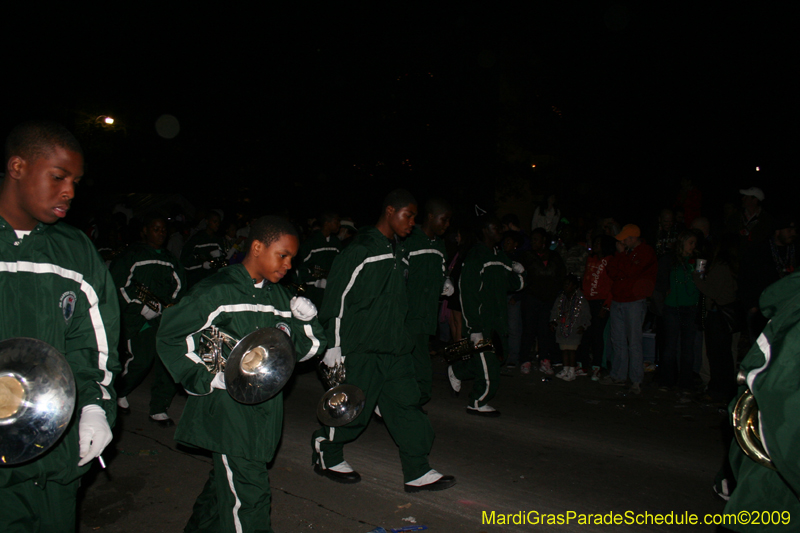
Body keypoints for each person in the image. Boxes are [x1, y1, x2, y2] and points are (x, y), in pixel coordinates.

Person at [157, 215, 326, 533]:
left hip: (265, 414)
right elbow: (171, 336)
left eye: (292, 257)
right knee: (250, 497)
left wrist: (307, 322)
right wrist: (205, 377)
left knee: (224, 487)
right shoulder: (216, 292)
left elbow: (303, 352)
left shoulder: (279, 298)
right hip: (228, 413)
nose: (289, 265)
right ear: (258, 247)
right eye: (283, 255)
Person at [0, 120, 120, 532]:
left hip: (54, 452)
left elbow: (92, 345)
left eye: (75, 181)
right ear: (17, 167)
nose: (69, 191)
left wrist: (94, 407)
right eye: (58, 177)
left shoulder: (74, 250)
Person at [311, 189, 456, 493]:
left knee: (407, 405)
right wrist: (333, 346)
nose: (413, 223)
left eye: (416, 217)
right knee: (354, 410)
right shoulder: (360, 249)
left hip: (395, 346)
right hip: (361, 347)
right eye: (409, 215)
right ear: (390, 211)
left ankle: (417, 469)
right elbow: (337, 300)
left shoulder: (399, 252)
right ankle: (327, 449)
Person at [110, 214, 185, 426]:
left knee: (168, 364)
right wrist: (140, 307)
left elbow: (179, 288)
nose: (161, 233)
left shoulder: (171, 260)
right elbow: (119, 285)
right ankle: (120, 393)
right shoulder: (131, 255)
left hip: (164, 319)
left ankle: (159, 408)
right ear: (145, 231)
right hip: (139, 319)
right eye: (156, 228)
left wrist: (168, 307)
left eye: (163, 230)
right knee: (140, 360)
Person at [449, 215, 526, 416]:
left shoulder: (500, 256)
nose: (500, 230)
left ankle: (458, 369)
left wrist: (520, 273)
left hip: (498, 323)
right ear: (484, 230)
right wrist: (473, 328)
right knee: (490, 366)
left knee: (497, 360)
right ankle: (477, 401)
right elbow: (468, 294)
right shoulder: (476, 256)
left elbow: (514, 284)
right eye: (495, 227)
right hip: (481, 325)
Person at [405, 198, 452, 405]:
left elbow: (441, 272)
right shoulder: (410, 239)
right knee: (413, 358)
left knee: (418, 356)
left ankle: (414, 399)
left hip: (427, 314)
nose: (447, 225)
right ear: (431, 217)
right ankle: (412, 399)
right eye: (444, 220)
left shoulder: (440, 245)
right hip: (407, 313)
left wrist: (445, 281)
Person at [601, 224, 657, 395]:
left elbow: (631, 271)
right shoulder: (624, 253)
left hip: (634, 302)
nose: (622, 243)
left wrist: (622, 259)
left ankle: (636, 380)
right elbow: (611, 270)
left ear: (632, 238)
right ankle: (618, 375)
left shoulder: (645, 251)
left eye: (624, 239)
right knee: (617, 340)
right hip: (618, 300)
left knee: (633, 342)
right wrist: (621, 258)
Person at [654, 230, 700, 393]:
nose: (693, 246)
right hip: (672, 308)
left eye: (695, 243)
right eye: (691, 243)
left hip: (691, 307)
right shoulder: (670, 260)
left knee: (688, 348)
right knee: (670, 347)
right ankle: (666, 381)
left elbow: (700, 283)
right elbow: (659, 281)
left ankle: (686, 383)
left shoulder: (696, 262)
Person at [293, 210, 341, 307]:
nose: (339, 225)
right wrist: (316, 282)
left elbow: (341, 265)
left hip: (331, 291)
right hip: (314, 292)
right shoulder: (311, 243)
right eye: (336, 222)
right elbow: (299, 267)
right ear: (327, 223)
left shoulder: (336, 243)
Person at [550, 275, 591, 381]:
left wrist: (584, 325)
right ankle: (565, 368)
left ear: (574, 286)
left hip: (574, 328)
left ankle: (572, 370)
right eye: (564, 284)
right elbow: (555, 310)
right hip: (562, 328)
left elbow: (586, 315)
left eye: (568, 284)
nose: (565, 286)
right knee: (564, 349)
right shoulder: (561, 298)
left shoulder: (580, 299)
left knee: (572, 350)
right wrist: (553, 321)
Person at [181, 211, 225, 288]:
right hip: (198, 283)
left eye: (218, 222)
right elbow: (185, 263)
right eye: (215, 221)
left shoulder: (218, 240)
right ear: (207, 222)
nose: (217, 224)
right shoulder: (196, 240)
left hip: (213, 282)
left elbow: (222, 262)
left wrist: (221, 256)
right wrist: (201, 265)